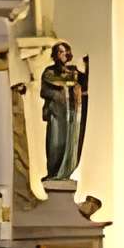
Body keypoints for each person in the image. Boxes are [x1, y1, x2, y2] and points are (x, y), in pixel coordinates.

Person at [39, 42, 89, 181]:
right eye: (60, 52)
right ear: (55, 55)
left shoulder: (73, 71)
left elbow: (84, 83)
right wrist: (58, 94)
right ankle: (53, 172)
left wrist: (87, 66)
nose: (63, 54)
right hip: (56, 113)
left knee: (69, 143)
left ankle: (65, 172)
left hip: (71, 114)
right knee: (55, 143)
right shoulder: (49, 71)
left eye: (65, 51)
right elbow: (45, 90)